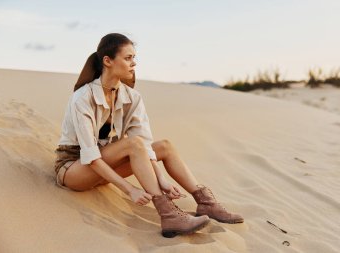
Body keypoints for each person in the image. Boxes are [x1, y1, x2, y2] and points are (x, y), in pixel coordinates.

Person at [54, 33, 243, 238]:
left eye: (134, 58)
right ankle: (168, 214)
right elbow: (91, 156)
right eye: (128, 58)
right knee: (131, 144)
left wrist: (161, 178)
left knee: (164, 146)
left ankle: (206, 203)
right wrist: (130, 190)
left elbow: (143, 145)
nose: (133, 63)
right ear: (107, 61)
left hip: (105, 166)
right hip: (75, 169)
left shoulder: (132, 97)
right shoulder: (82, 97)